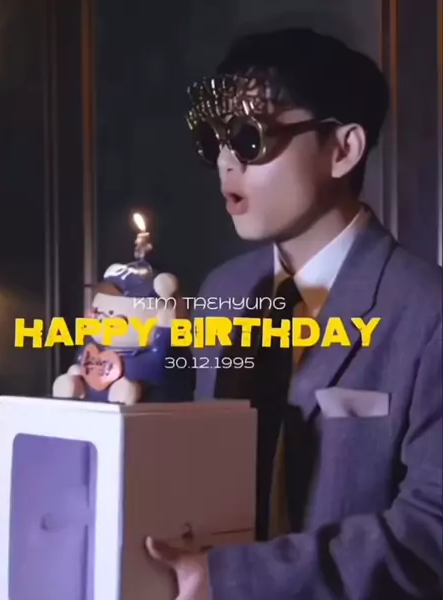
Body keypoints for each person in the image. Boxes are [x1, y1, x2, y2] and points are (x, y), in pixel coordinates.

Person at [146, 28, 443, 599]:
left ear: (343, 149)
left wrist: (234, 579)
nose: (226, 164)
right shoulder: (224, 290)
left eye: (249, 138)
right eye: (214, 142)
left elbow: (431, 533)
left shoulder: (428, 312)